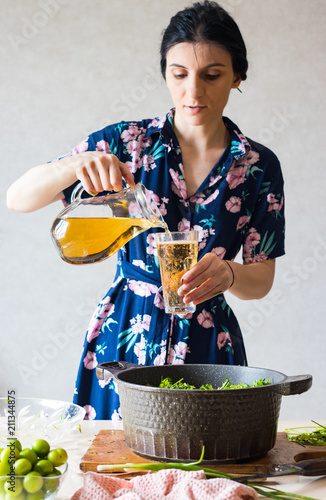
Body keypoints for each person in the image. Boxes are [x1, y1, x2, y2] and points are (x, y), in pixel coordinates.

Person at [7, 1, 285, 420]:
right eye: (179, 75)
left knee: (206, 464)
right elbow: (18, 198)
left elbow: (260, 278)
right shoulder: (127, 142)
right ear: (166, 75)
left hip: (209, 347)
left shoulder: (259, 166)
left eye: (212, 75)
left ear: (237, 77)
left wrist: (228, 274)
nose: (194, 91)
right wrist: (73, 166)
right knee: (115, 464)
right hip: (125, 333)